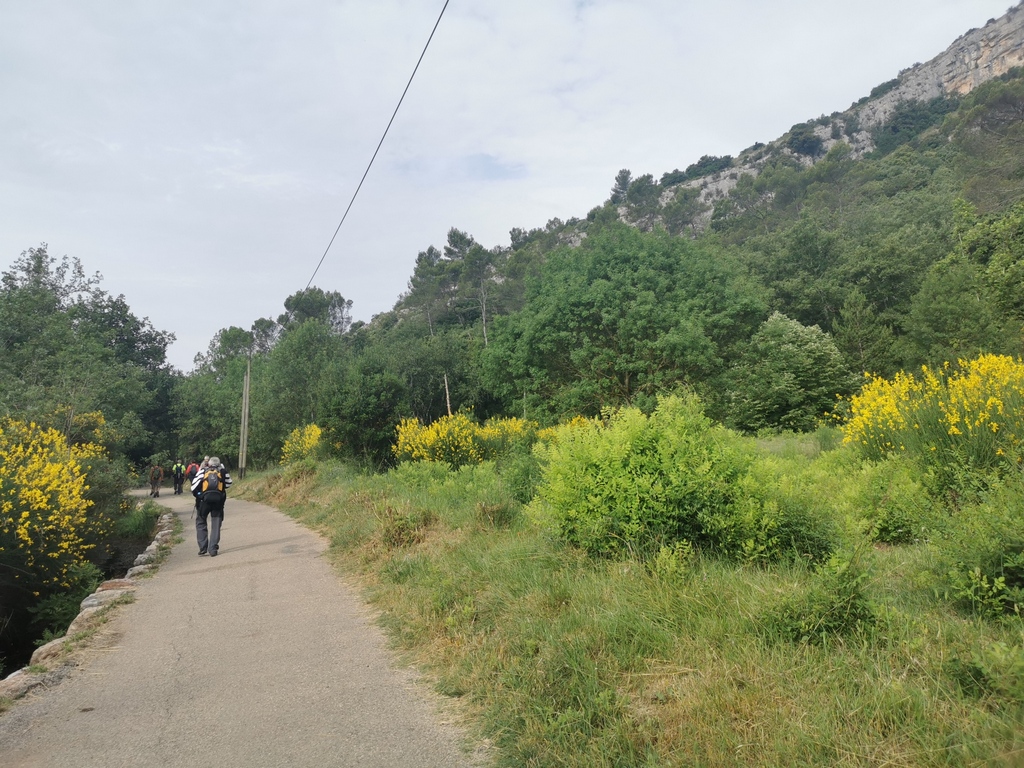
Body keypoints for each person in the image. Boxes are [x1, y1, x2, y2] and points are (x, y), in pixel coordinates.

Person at [191, 456, 232, 557]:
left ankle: (203, 547)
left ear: (208, 463)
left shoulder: (203, 471)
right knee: (216, 525)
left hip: (203, 502)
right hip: (218, 502)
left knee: (201, 522)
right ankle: (213, 548)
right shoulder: (222, 471)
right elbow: (229, 484)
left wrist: (200, 495)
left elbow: (193, 487)